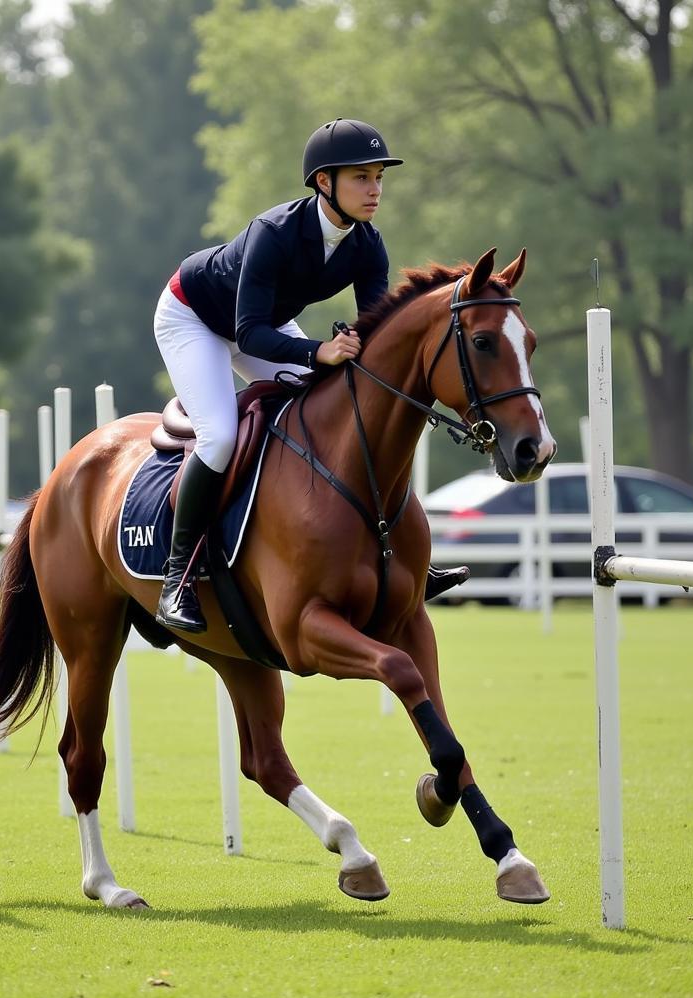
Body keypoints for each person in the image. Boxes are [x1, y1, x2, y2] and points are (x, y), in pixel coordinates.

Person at [153, 118, 463, 634]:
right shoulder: (273, 234)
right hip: (196, 317)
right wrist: (320, 350)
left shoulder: (367, 245)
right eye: (361, 177)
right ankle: (177, 579)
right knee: (220, 435)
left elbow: (373, 339)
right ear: (325, 182)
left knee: (330, 405)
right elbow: (248, 335)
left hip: (264, 322)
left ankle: (404, 553)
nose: (375, 189)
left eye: (379, 177)